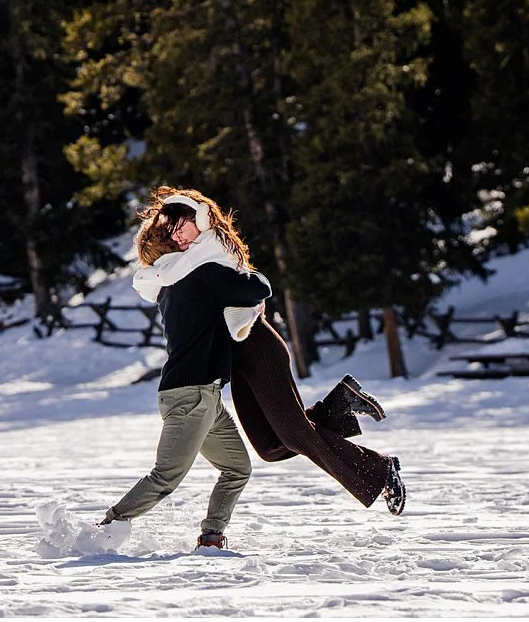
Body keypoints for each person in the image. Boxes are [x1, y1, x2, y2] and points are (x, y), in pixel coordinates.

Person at [108, 189, 407, 546]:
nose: (177, 237)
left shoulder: (205, 257)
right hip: (232, 358)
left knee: (296, 434)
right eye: (168, 236)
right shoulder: (180, 273)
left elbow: (257, 285)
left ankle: (378, 470)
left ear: (199, 217)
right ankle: (339, 404)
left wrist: (241, 293)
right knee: (269, 446)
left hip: (255, 343)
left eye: (179, 227)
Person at [100, 190, 272, 549]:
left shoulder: (169, 283)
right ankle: (106, 529)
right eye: (173, 230)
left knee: (237, 468)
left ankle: (211, 538)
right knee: (166, 476)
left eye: (183, 226)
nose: (178, 234)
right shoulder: (203, 273)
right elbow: (260, 288)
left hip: (202, 395)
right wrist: (239, 274)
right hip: (192, 394)